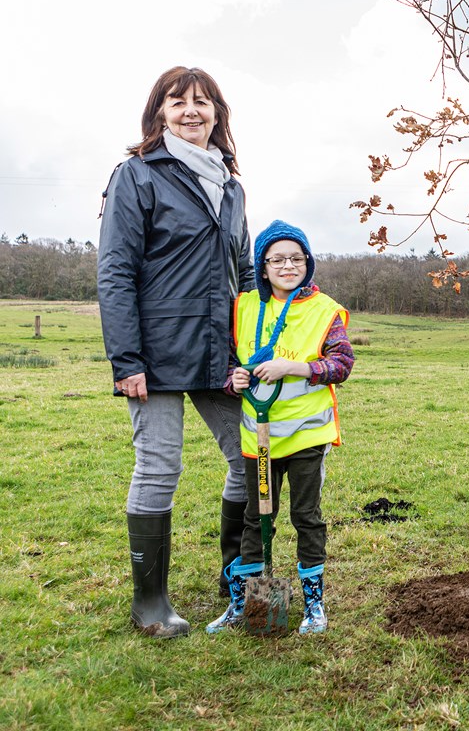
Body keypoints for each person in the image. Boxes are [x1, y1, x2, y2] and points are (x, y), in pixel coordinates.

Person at [98, 66, 254, 638]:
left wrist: (259, 340)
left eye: (203, 102)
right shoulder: (137, 176)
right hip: (157, 354)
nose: (192, 111)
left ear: (218, 113)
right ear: (158, 113)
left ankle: (235, 572)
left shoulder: (231, 186)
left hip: (221, 351)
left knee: (252, 457)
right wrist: (127, 360)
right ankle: (150, 603)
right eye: (177, 101)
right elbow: (115, 272)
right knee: (160, 467)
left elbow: (246, 268)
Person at [207, 220, 353, 635]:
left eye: (296, 258)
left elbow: (341, 364)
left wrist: (297, 367)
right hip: (260, 439)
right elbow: (232, 362)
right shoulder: (245, 306)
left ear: (308, 262)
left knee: (306, 517)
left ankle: (314, 607)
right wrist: (233, 379)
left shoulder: (325, 310)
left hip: (307, 436)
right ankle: (245, 605)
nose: (288, 266)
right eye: (278, 259)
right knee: (256, 518)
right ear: (263, 265)